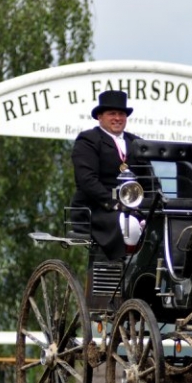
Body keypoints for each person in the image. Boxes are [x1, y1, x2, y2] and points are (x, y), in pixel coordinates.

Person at [71, 90, 143, 260]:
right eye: (112, 114)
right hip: (99, 208)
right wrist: (114, 204)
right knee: (129, 227)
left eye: (121, 114)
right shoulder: (88, 140)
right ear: (100, 117)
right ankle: (116, 267)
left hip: (133, 208)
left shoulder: (136, 142)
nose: (117, 118)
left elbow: (148, 179)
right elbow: (87, 181)